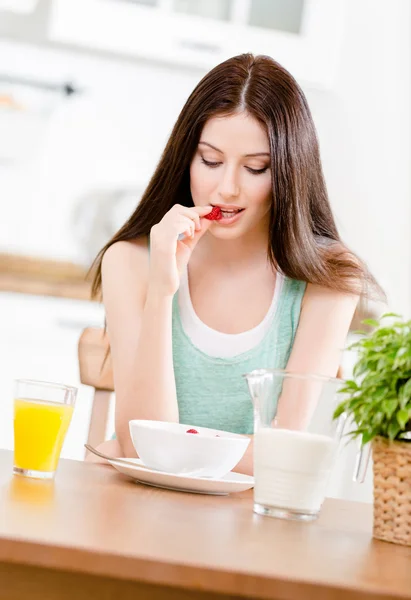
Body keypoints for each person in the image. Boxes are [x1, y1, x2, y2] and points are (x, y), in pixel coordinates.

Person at [88, 53, 381, 474]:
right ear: (186, 158)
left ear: (288, 171)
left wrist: (172, 449)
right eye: (210, 161)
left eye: (256, 168)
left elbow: (282, 451)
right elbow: (138, 443)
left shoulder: (330, 279)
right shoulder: (130, 261)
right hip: (134, 512)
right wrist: (162, 290)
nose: (227, 188)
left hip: (250, 526)